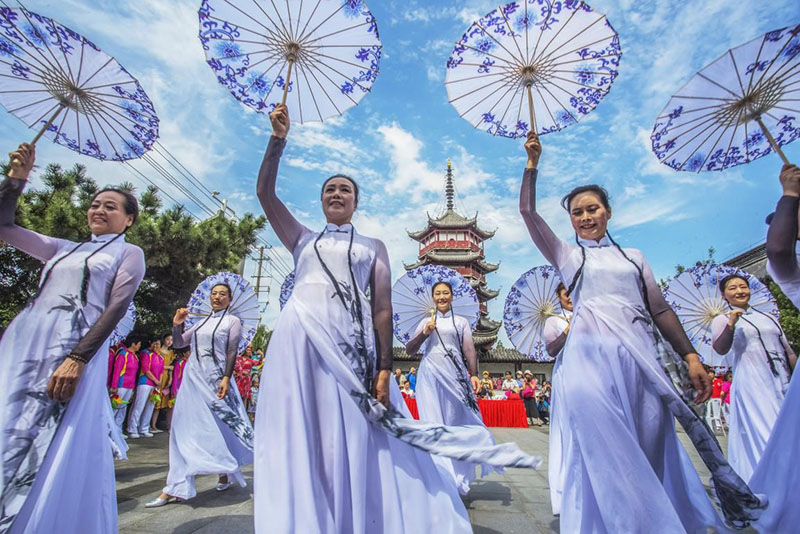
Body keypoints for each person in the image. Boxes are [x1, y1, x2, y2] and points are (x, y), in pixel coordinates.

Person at [252, 104, 537, 533]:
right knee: (302, 427)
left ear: (356, 202)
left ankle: (356, 512)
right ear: (321, 199)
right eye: (330, 188)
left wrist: (385, 369)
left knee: (353, 428)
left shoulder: (374, 246)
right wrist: (277, 141)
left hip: (352, 345)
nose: (336, 194)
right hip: (298, 341)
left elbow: (382, 309)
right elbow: (265, 196)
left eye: (345, 189)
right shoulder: (301, 239)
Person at [518, 131, 764, 531]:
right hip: (587, 363)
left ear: (608, 212)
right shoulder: (568, 256)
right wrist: (532, 165)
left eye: (592, 208)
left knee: (651, 443)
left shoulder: (635, 258)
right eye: (577, 212)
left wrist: (691, 356)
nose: (585, 217)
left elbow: (661, 309)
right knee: (604, 445)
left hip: (642, 363)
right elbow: (528, 214)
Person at [0, 142, 145, 533]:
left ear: (129, 219)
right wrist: (16, 179)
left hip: (74, 352)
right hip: (25, 347)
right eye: (95, 203)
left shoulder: (128, 253)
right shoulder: (61, 248)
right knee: (10, 422)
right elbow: (4, 226)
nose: (99, 209)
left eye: (111, 206)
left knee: (52, 432)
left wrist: (78, 358)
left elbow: (116, 307)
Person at [146, 283, 254, 507]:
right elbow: (178, 344)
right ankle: (175, 485)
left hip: (216, 379)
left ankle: (224, 469)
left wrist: (226, 377)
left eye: (222, 294)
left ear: (229, 299)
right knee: (183, 427)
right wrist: (177, 325)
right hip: (193, 378)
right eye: (214, 294)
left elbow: (232, 350)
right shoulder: (200, 321)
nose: (217, 297)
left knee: (220, 425)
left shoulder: (232, 321)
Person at [405, 280, 498, 495]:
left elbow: (469, 350)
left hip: (454, 376)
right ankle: (438, 476)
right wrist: (424, 333)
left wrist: (474, 375)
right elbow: (410, 350)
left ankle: (457, 475)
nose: (441, 297)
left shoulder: (461, 322)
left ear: (452, 296)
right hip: (430, 376)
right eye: (437, 293)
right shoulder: (425, 321)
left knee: (454, 422)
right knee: (432, 422)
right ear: (432, 297)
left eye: (445, 293)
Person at [748, 162, 800, 532]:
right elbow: (779, 250)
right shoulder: (790, 266)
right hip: (752, 380)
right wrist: (790, 194)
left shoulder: (768, 316)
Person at [711, 274, 794, 481]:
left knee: (789, 427)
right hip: (753, 381)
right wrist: (730, 324)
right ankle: (773, 477)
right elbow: (720, 348)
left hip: (781, 379)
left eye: (743, 286)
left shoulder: (768, 317)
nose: (739, 291)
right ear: (724, 294)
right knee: (766, 428)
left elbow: (789, 351)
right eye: (733, 288)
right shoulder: (722, 318)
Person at [542, 280, 573, 515]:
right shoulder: (554, 320)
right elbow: (551, 350)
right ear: (559, 296)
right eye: (566, 293)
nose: (570, 297)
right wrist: (566, 331)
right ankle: (565, 486)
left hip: (595, 373)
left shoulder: (591, 313)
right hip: (569, 375)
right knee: (568, 429)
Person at [127, 338, 164, 439]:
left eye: (158, 344)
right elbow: (145, 368)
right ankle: (132, 428)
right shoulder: (146, 353)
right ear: (151, 344)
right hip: (145, 382)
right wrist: (156, 380)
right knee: (139, 405)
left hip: (155, 385)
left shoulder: (161, 357)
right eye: (154, 344)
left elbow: (161, 371)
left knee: (150, 406)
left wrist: (159, 382)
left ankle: (144, 428)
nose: (156, 346)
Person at [109, 336, 142, 435]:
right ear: (133, 344)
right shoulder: (123, 354)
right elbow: (117, 371)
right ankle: (108, 430)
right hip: (121, 385)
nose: (139, 346)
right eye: (139, 344)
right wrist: (114, 386)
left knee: (123, 408)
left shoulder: (135, 356)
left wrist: (133, 387)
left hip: (130, 385)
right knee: (115, 407)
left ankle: (117, 430)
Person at [151, 333, 175, 433]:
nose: (169, 342)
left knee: (161, 402)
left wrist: (170, 378)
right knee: (154, 401)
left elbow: (171, 367)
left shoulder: (171, 353)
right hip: (158, 375)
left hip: (166, 378)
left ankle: (154, 425)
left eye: (172, 340)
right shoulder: (158, 351)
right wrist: (168, 368)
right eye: (168, 339)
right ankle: (151, 425)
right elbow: (157, 365)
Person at [234, 345, 255, 411]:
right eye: (248, 349)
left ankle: (244, 414)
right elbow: (234, 368)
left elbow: (260, 362)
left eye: (250, 350)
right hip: (238, 379)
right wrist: (241, 372)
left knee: (245, 397)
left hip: (246, 380)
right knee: (237, 395)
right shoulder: (238, 358)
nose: (249, 351)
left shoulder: (251, 361)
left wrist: (261, 354)